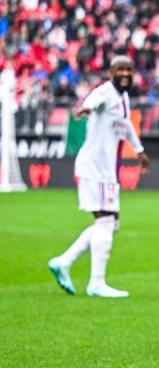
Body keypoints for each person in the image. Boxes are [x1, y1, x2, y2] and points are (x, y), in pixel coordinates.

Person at [48, 56, 151, 298]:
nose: (125, 73)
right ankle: (96, 283)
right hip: (96, 169)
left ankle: (64, 261)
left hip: (106, 171)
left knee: (109, 223)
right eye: (120, 69)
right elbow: (94, 100)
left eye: (129, 69)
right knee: (106, 222)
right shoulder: (104, 92)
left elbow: (125, 126)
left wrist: (140, 151)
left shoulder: (124, 97)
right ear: (110, 72)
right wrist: (87, 107)